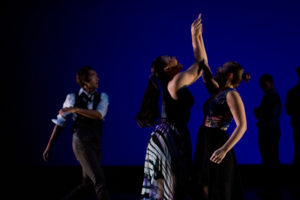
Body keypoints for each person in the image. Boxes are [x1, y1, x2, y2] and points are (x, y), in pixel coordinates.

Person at [136, 14, 205, 200]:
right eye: (170, 58)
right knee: (172, 188)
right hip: (171, 138)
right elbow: (202, 66)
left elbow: (200, 68)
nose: (175, 57)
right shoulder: (174, 82)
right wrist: (195, 37)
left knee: (160, 188)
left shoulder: (170, 82)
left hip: (162, 136)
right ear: (167, 69)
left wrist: (198, 37)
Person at [191, 15, 249, 200]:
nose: (218, 69)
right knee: (204, 187)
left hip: (218, 142)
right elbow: (203, 65)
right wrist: (196, 36)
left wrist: (224, 149)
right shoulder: (216, 90)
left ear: (229, 75)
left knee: (218, 189)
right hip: (205, 139)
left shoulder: (232, 95)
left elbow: (242, 126)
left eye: (222, 68)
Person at [42, 66, 110, 200]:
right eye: (93, 76)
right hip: (81, 142)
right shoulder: (72, 98)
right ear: (85, 81)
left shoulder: (102, 97)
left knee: (87, 183)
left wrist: (76, 110)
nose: (98, 79)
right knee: (99, 181)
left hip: (95, 143)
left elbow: (98, 115)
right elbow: (60, 123)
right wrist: (49, 146)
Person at [254, 73, 282, 199]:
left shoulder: (272, 97)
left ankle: (272, 189)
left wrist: (261, 115)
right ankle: (271, 188)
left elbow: (271, 116)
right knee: (270, 160)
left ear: (270, 83)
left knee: (270, 160)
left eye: (264, 84)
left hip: (269, 132)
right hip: (269, 131)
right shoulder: (270, 97)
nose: (262, 87)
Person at [285, 66, 300, 200]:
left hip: (297, 127)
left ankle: (296, 186)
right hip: (298, 127)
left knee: (298, 154)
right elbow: (289, 110)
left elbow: (289, 110)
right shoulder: (293, 92)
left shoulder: (292, 92)